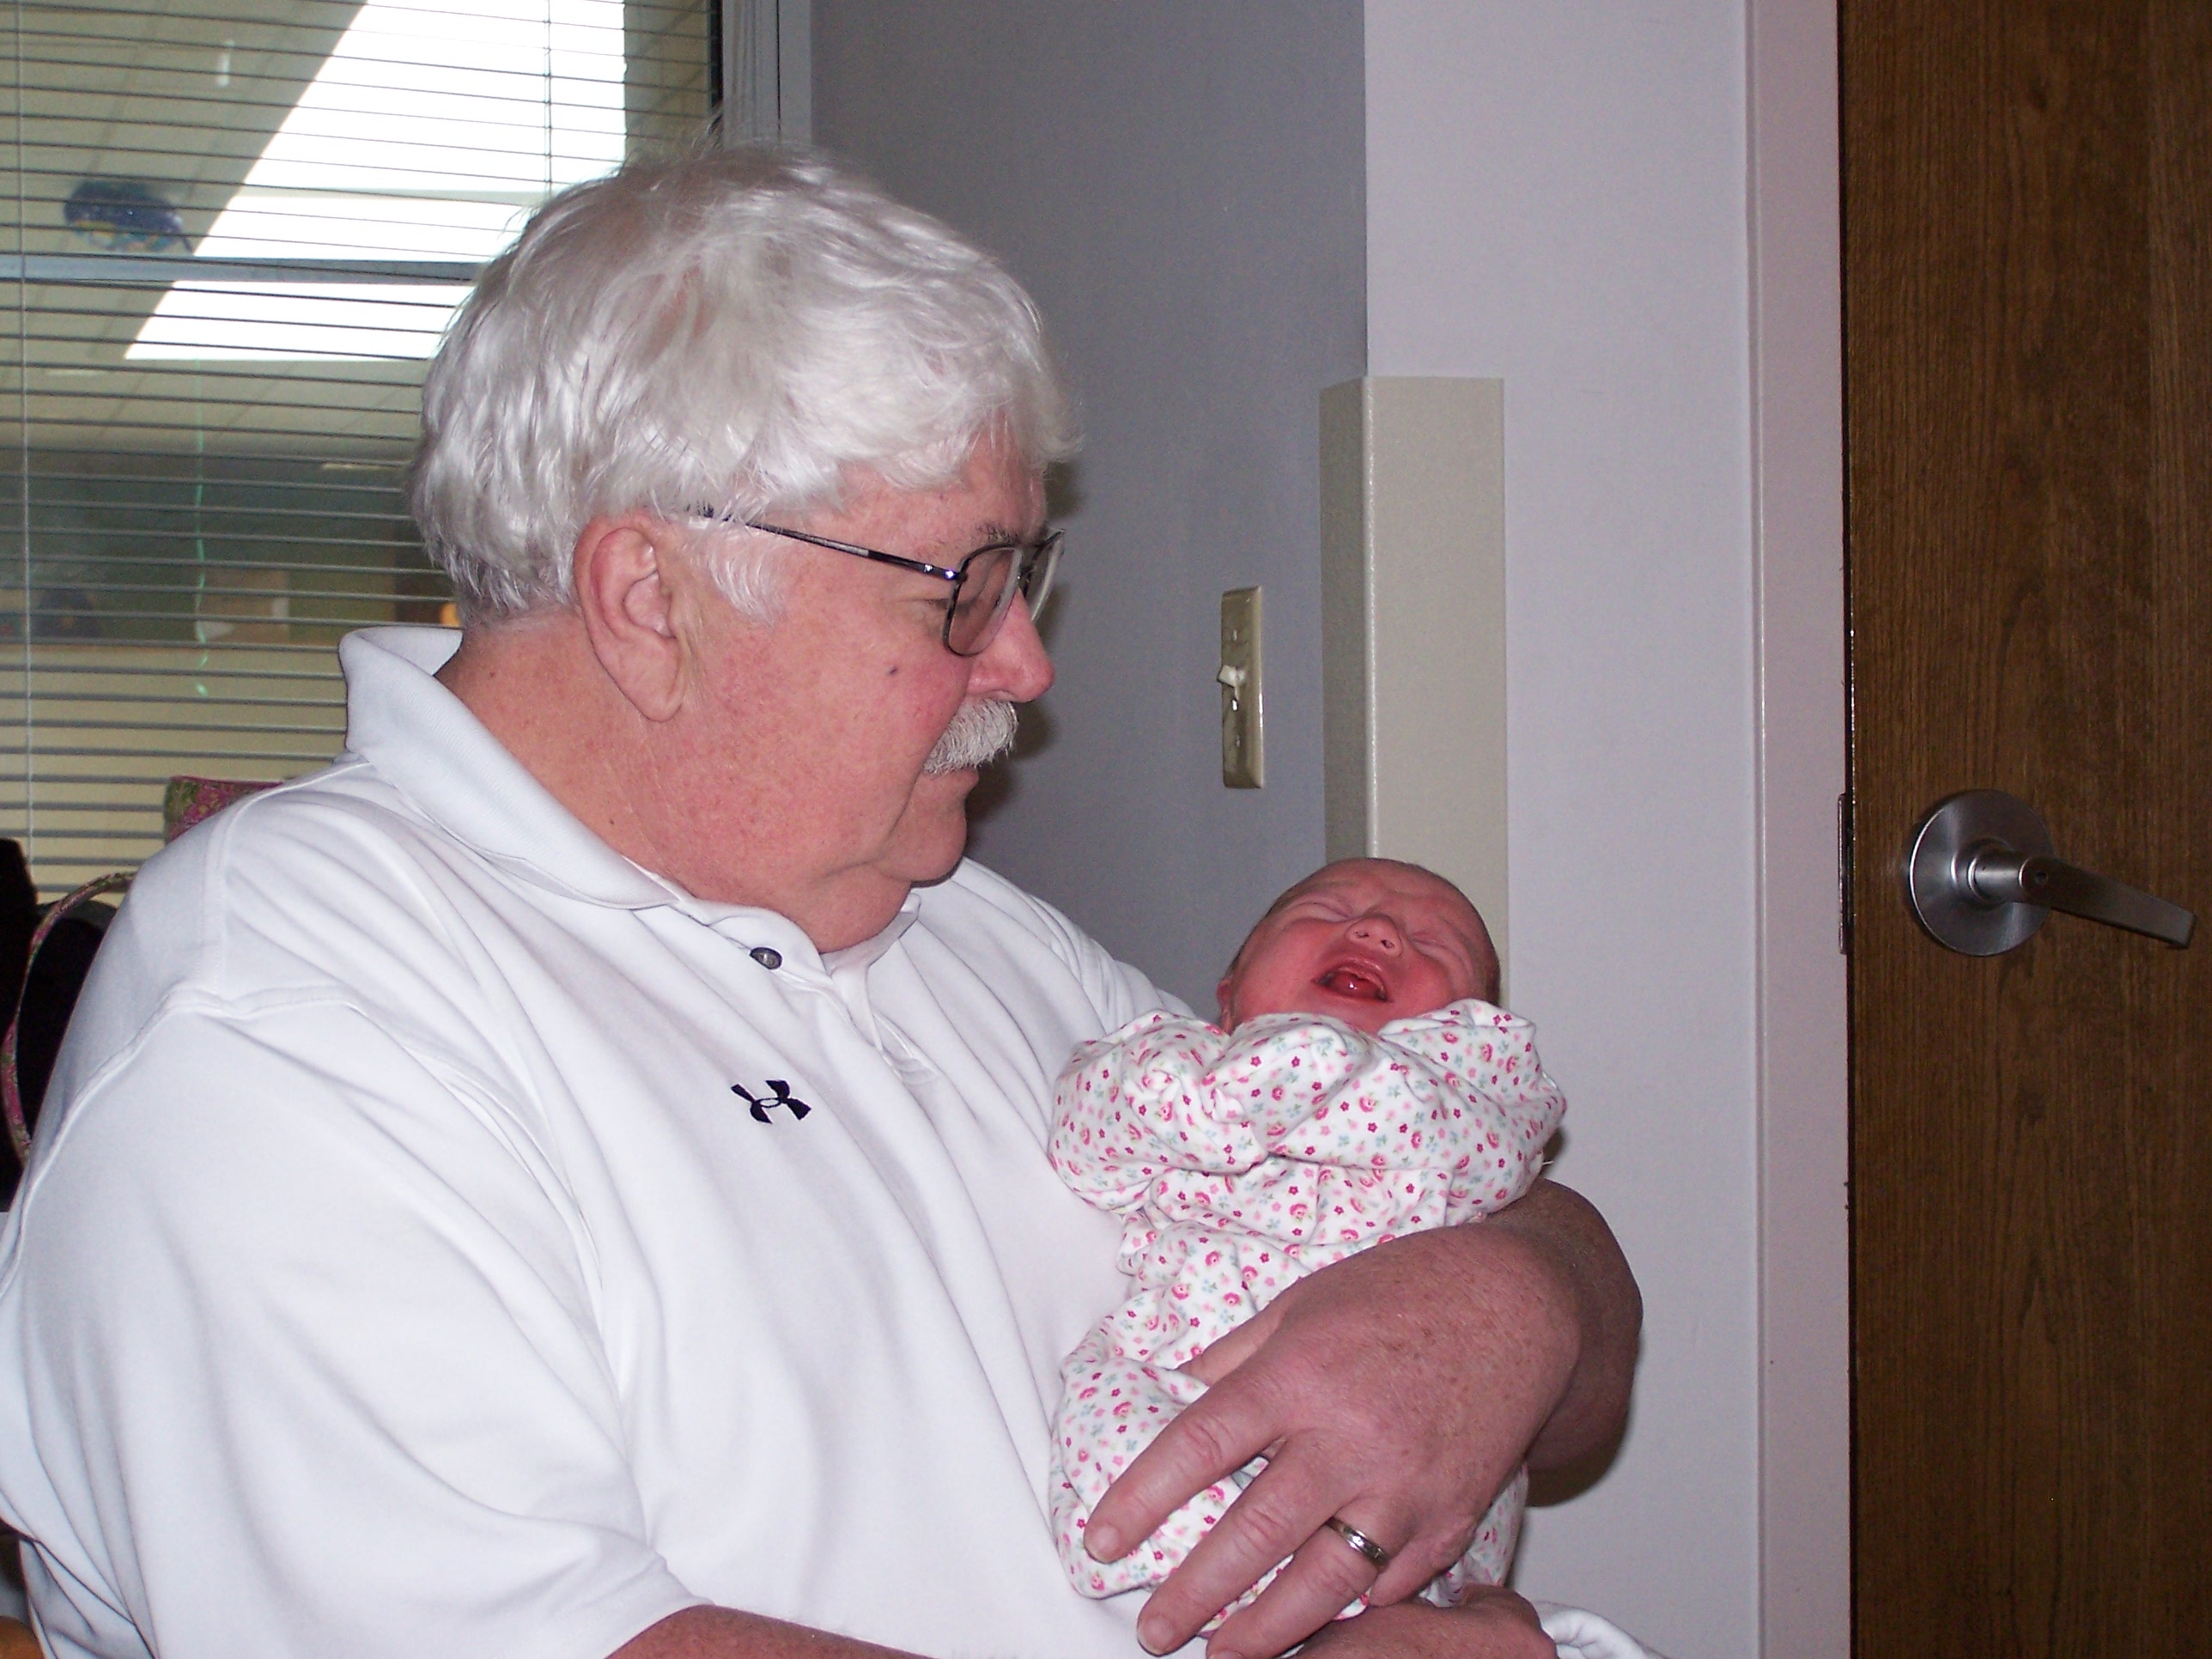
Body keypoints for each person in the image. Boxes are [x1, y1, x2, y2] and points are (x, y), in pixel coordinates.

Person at [0, 149, 1638, 1659]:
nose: (1026, 663)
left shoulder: (956, 925)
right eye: (964, 586)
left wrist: (1519, 1300)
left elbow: (1470, 1208)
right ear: (652, 600)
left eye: (1024, 574)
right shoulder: (285, 1024)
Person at [1050, 860, 1561, 1613]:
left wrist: (1289, 1066)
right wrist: (1213, 1080)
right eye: (1324, 910)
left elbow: (1461, 1130)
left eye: (1434, 944)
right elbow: (1088, 1137)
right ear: (1227, 995)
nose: (1378, 931)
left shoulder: (1469, 1108)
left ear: (1470, 1027)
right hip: (1191, 1369)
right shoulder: (1166, 1062)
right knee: (1118, 1438)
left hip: (1408, 1463)